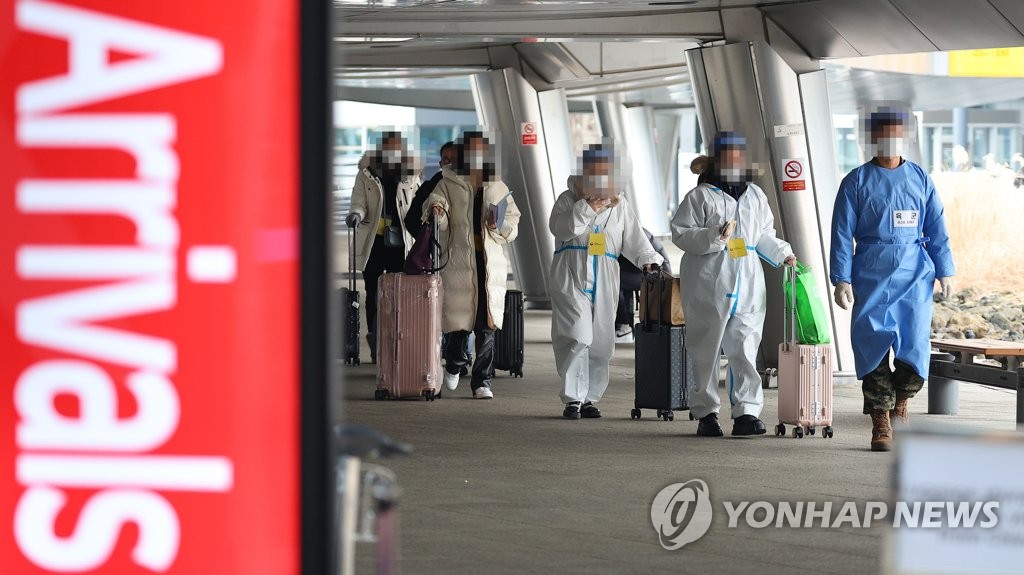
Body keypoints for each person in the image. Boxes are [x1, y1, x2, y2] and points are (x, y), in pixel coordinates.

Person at [830, 105, 955, 452]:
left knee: (915, 349)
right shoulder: (855, 181)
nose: (888, 140)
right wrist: (841, 278)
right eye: (881, 133)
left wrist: (945, 269)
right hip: (870, 273)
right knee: (872, 348)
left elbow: (937, 227)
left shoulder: (920, 179)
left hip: (914, 274)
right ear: (872, 138)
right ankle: (880, 422)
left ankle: (901, 403)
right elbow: (842, 233)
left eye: (894, 133)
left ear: (905, 137)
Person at [670, 131, 796, 437]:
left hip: (749, 279)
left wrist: (783, 253)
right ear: (717, 159)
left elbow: (764, 233)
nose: (734, 161)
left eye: (738, 155)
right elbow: (680, 233)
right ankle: (707, 413)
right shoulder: (699, 197)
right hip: (709, 277)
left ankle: (746, 413)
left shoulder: (754, 195)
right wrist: (714, 236)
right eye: (728, 155)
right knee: (706, 348)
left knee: (745, 346)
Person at [550, 142, 664, 420]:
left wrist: (648, 259)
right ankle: (573, 398)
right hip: (571, 269)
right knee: (577, 335)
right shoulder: (568, 199)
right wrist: (588, 207)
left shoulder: (620, 205)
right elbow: (561, 228)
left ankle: (590, 397)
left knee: (601, 339)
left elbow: (635, 239)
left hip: (606, 272)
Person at [425, 131, 520, 399]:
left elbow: (512, 221)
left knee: (487, 325)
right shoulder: (448, 181)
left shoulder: (497, 185)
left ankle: (482, 381)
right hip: (460, 261)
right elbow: (435, 204)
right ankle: (454, 364)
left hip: (489, 265)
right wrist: (437, 210)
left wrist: (499, 224)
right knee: (460, 322)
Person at [346, 131, 422, 363]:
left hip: (402, 243)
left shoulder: (411, 175)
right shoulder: (367, 174)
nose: (392, 153)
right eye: (388, 148)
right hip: (375, 242)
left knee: (401, 293)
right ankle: (376, 337)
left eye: (396, 149)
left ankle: (397, 339)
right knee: (373, 293)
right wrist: (355, 215)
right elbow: (358, 201)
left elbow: (416, 204)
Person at [614, 228, 672, 343]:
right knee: (618, 281)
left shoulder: (628, 232)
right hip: (641, 271)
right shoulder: (636, 230)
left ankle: (624, 325)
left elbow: (660, 256)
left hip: (649, 272)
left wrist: (666, 278)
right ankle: (625, 326)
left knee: (613, 281)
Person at [404, 141, 457, 237]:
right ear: (441, 164)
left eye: (454, 160)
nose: (450, 165)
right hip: (439, 249)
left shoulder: (472, 188)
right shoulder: (430, 186)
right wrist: (429, 242)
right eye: (446, 161)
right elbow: (410, 220)